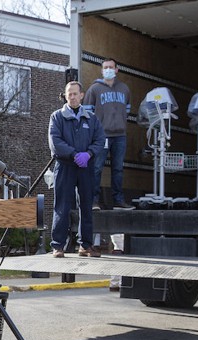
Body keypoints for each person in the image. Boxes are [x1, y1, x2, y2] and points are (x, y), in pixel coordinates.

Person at [49, 82, 105, 258]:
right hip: (65, 166)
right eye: (69, 94)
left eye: (75, 94)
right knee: (62, 206)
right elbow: (55, 142)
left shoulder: (91, 118)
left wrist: (88, 154)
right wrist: (74, 155)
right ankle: (58, 246)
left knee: (87, 206)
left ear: (82, 95)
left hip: (85, 167)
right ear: (65, 96)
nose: (72, 97)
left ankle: (85, 245)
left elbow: (100, 140)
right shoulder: (57, 117)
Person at [83, 58, 134, 211]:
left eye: (111, 67)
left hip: (120, 135)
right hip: (102, 135)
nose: (108, 70)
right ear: (101, 70)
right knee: (97, 167)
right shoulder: (94, 89)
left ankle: (118, 201)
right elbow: (87, 112)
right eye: (105, 67)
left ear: (117, 70)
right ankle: (93, 201)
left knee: (118, 169)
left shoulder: (124, 89)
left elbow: (128, 110)